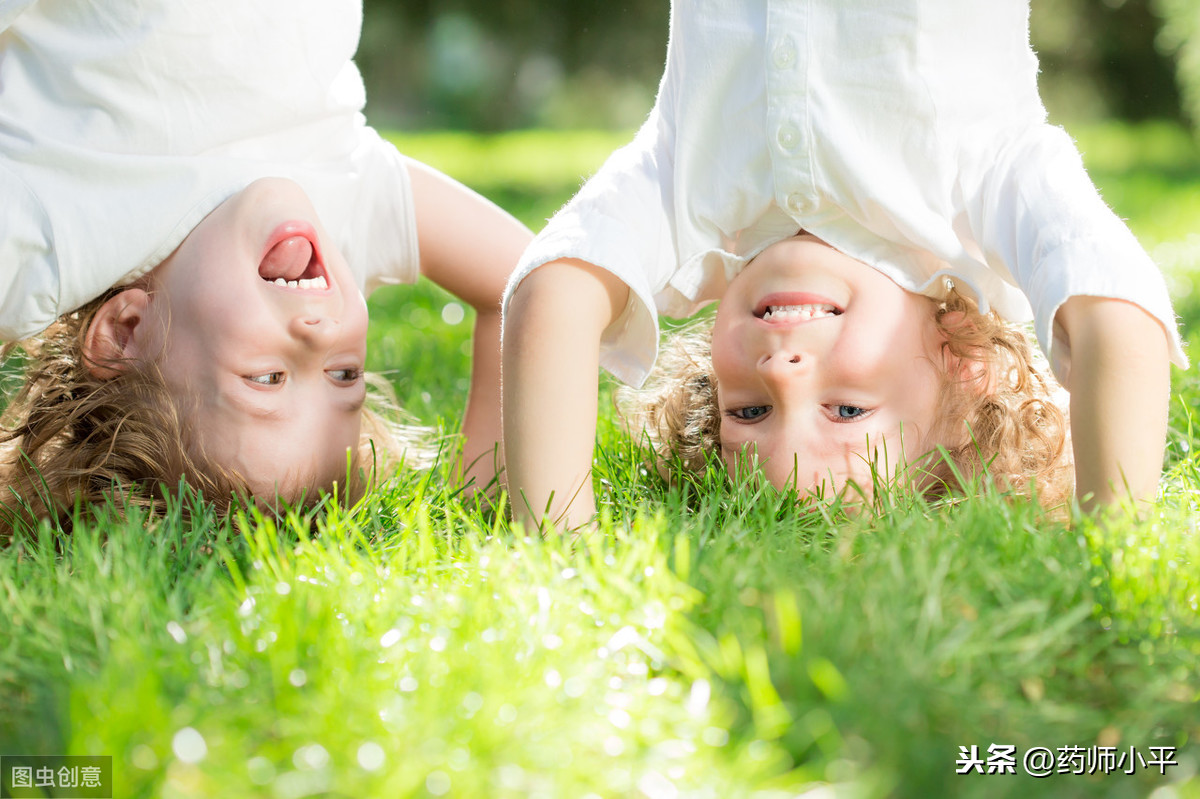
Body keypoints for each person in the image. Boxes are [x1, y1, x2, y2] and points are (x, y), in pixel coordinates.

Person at [502, 0, 1188, 530]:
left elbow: (551, 295)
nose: (780, 371)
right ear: (964, 365)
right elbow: (1118, 312)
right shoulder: (984, 182)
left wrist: (560, 547)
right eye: (845, 409)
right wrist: (1109, 547)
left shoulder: (690, 186)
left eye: (748, 410)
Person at [0, 0, 530, 533]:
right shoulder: (340, 209)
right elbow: (525, 284)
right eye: (344, 374)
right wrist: (481, 512)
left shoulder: (55, 236)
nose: (319, 331)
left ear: (126, 333)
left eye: (268, 378)